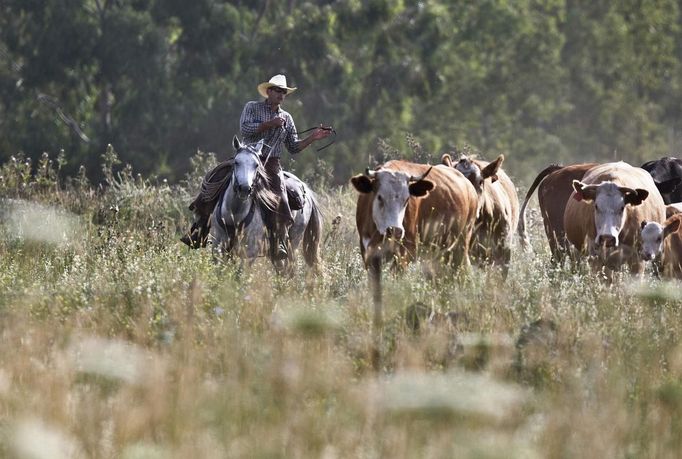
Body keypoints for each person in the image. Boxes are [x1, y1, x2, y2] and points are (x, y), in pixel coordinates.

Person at [181, 74, 332, 259]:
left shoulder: (287, 117)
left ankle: (279, 242)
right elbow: (245, 129)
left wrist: (312, 138)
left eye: (284, 92)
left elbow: (293, 147)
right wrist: (270, 124)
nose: (281, 94)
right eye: (277, 90)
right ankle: (199, 230)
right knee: (213, 181)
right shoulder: (252, 108)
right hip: (246, 157)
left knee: (281, 199)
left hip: (271, 165)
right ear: (268, 91)